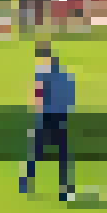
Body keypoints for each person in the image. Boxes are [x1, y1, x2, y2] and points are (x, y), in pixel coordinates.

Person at [21, 42, 77, 201]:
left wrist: (35, 111)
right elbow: (70, 98)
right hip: (59, 117)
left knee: (36, 151)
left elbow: (36, 97)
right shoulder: (63, 74)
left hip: (47, 117)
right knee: (62, 155)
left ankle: (26, 183)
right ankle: (65, 190)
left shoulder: (43, 74)